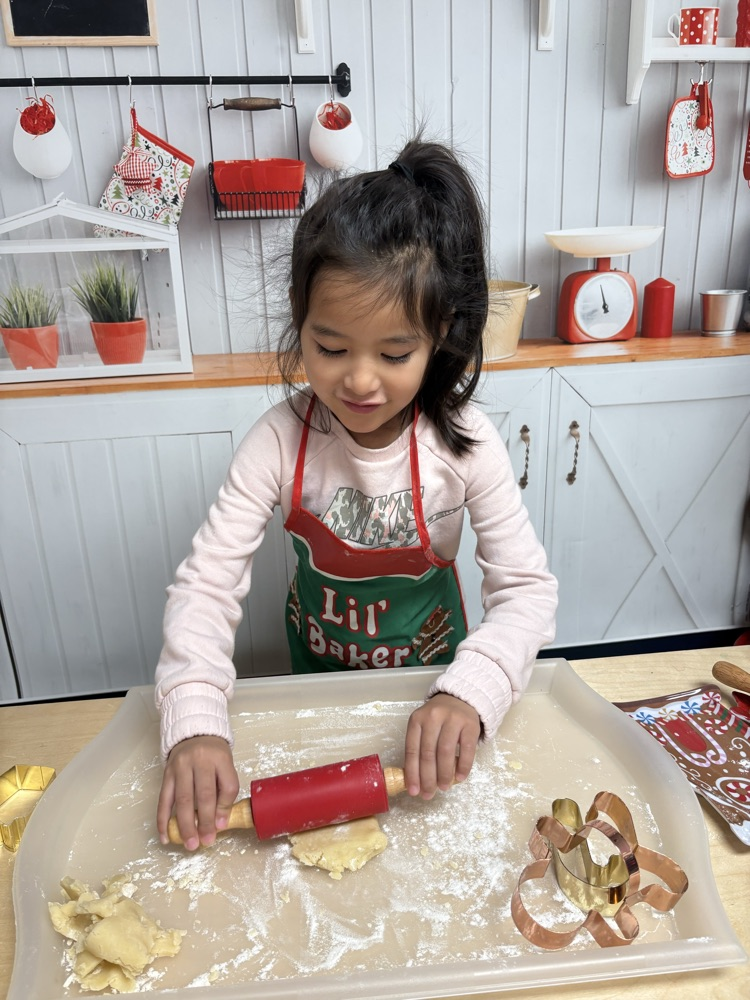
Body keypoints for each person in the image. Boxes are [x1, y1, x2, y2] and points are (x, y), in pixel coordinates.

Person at [155, 137, 558, 850]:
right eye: (331, 348)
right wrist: (193, 720)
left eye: (395, 354)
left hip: (434, 702)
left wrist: (473, 689)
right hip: (317, 696)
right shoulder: (279, 441)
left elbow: (526, 592)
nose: (360, 381)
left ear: (441, 335)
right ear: (299, 321)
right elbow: (207, 589)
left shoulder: (463, 444)